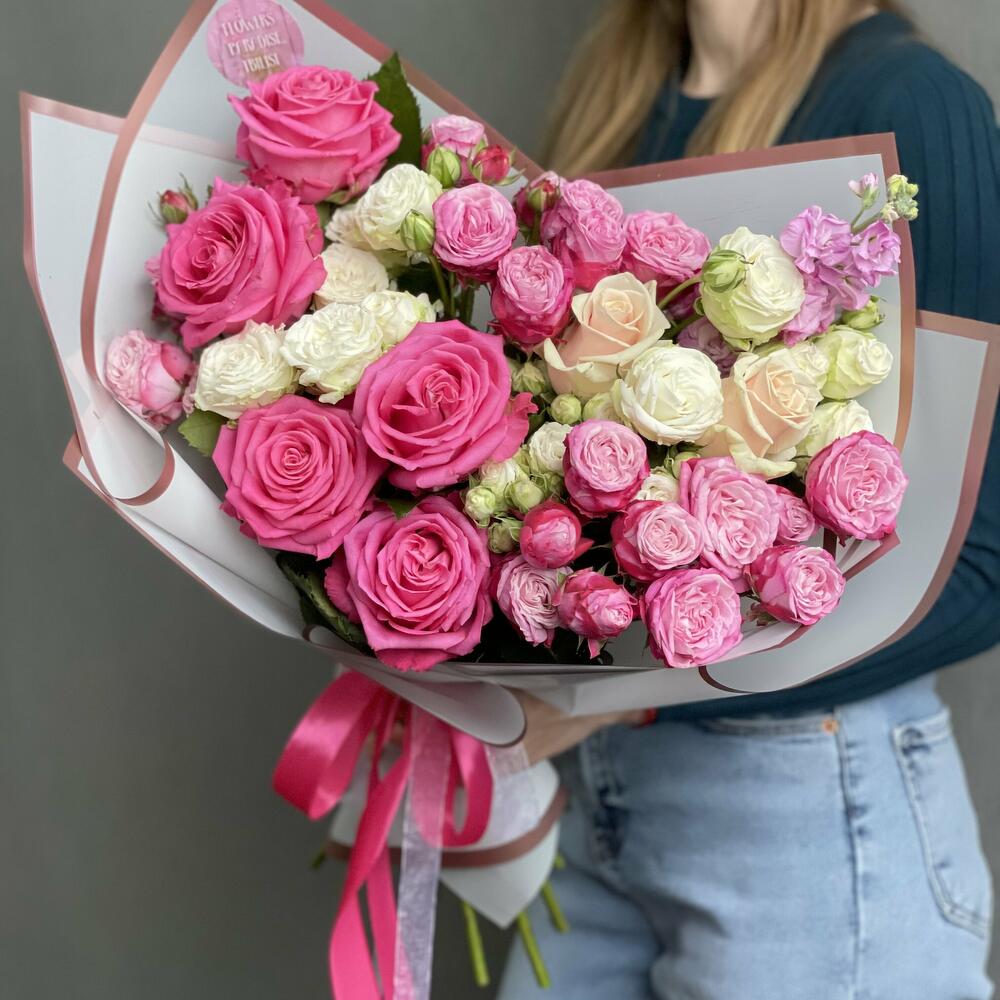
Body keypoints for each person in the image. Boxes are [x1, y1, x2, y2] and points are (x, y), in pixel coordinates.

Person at [499, 2, 1000, 997]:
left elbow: (982, 560)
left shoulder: (911, 103)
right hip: (596, 813)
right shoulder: (614, 101)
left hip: (808, 815)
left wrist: (621, 697)